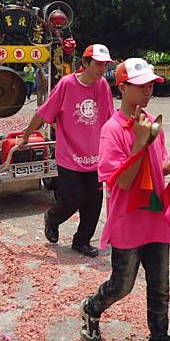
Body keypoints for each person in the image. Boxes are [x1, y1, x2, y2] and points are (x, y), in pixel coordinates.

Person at [80, 58, 170, 341]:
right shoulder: (113, 130)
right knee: (122, 285)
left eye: (151, 84)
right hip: (128, 221)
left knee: (160, 287)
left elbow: (156, 167)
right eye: (141, 85)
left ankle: (160, 336)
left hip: (155, 217)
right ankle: (91, 308)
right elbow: (123, 181)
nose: (148, 90)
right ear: (123, 87)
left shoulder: (153, 123)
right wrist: (140, 142)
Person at [21, 44, 114, 257]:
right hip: (69, 157)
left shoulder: (104, 87)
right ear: (85, 63)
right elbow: (44, 113)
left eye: (105, 64)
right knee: (73, 198)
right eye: (98, 64)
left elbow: (110, 119)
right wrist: (26, 135)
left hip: (95, 157)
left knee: (93, 203)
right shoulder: (67, 84)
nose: (102, 69)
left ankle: (81, 241)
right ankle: (52, 218)